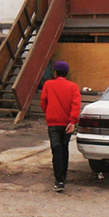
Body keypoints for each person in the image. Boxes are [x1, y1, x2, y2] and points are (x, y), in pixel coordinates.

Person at [40, 60, 81, 193]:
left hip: (53, 123)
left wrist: (50, 113)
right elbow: (76, 104)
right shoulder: (73, 87)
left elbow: (43, 102)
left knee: (56, 149)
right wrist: (73, 121)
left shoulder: (48, 84)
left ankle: (59, 180)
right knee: (65, 148)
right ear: (67, 73)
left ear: (55, 72)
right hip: (67, 124)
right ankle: (63, 176)